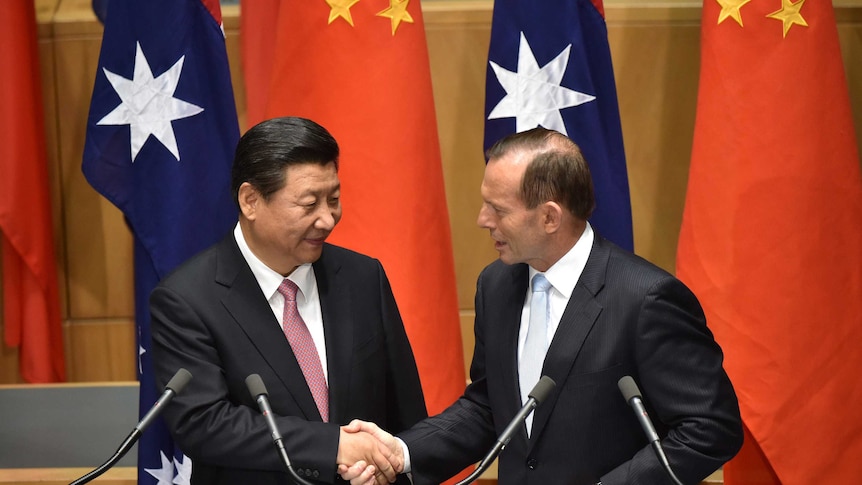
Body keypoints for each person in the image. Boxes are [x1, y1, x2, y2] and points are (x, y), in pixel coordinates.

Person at [340, 127, 743, 485]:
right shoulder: (496, 285)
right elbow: (488, 407)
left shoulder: (646, 298)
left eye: (498, 209)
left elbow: (710, 427)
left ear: (550, 217)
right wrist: (402, 453)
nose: (482, 219)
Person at [150, 116, 426, 485]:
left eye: (334, 200)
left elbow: (405, 411)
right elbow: (205, 424)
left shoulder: (363, 278)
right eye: (309, 204)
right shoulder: (186, 299)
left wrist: (395, 466)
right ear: (251, 200)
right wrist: (334, 447)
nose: (327, 219)